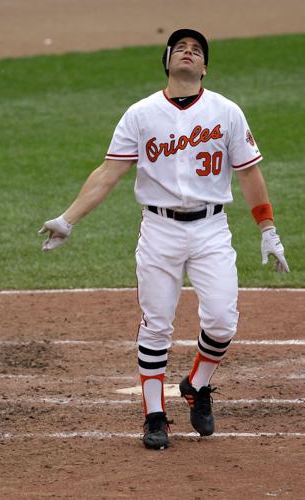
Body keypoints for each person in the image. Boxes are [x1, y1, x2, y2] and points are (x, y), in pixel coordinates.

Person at [39, 29, 289, 450]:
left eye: (197, 50)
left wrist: (267, 228)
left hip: (211, 229)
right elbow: (108, 172)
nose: (189, 52)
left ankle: (195, 384)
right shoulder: (140, 114)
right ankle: (154, 416)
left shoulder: (227, 112)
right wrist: (68, 219)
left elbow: (249, 172)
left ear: (204, 67)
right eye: (180, 48)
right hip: (159, 229)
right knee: (156, 325)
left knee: (223, 321)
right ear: (167, 61)